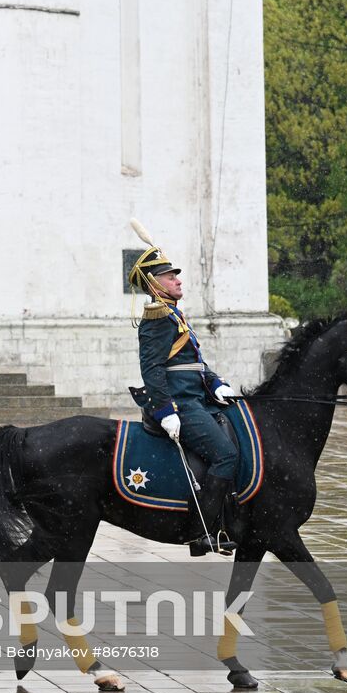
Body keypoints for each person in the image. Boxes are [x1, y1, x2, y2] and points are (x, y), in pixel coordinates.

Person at [129, 237, 240, 556]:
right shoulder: (157, 319)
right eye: (169, 276)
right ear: (154, 284)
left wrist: (216, 383)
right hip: (181, 405)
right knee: (226, 456)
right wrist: (166, 411)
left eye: (175, 274)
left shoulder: (175, 315)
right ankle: (202, 531)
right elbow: (152, 371)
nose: (177, 279)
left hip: (198, 399)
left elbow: (194, 362)